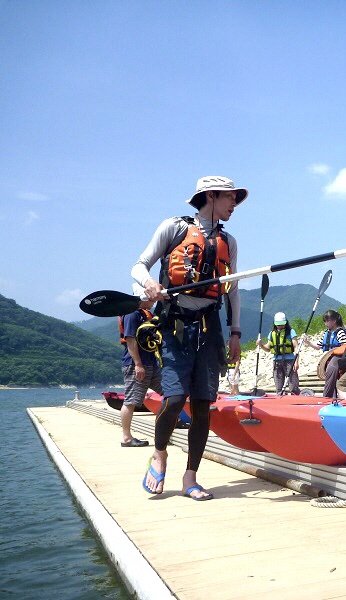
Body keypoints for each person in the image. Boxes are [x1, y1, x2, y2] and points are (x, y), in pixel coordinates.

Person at [134, 175, 246, 500]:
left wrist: (235, 333)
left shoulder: (231, 242)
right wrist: (149, 285)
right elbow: (138, 266)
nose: (234, 205)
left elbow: (233, 291)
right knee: (173, 399)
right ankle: (160, 453)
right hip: (176, 325)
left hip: (210, 327)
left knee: (202, 406)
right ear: (210, 196)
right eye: (230, 198)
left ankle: (190, 477)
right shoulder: (174, 227)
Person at [119, 284, 162, 447]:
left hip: (151, 363)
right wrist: (138, 364)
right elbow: (131, 340)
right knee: (131, 400)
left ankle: (170, 423)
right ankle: (126, 438)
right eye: (150, 297)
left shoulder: (146, 315)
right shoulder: (132, 314)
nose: (153, 300)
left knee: (170, 392)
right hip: (136, 364)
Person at [304, 309, 346, 398]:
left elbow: (344, 346)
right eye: (325, 321)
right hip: (327, 360)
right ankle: (332, 397)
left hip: (336, 359)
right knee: (330, 380)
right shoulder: (326, 333)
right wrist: (307, 342)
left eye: (327, 321)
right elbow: (318, 347)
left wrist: (334, 350)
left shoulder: (340, 332)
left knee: (333, 380)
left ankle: (327, 396)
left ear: (334, 321)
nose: (326, 324)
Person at [258, 312, 300, 395]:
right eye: (278, 325)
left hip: (290, 360)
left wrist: (296, 361)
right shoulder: (272, 333)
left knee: (293, 385)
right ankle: (281, 398)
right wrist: (261, 345)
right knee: (278, 385)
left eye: (282, 324)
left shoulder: (291, 332)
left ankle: (295, 398)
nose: (280, 326)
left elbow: (296, 347)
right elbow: (268, 348)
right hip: (277, 361)